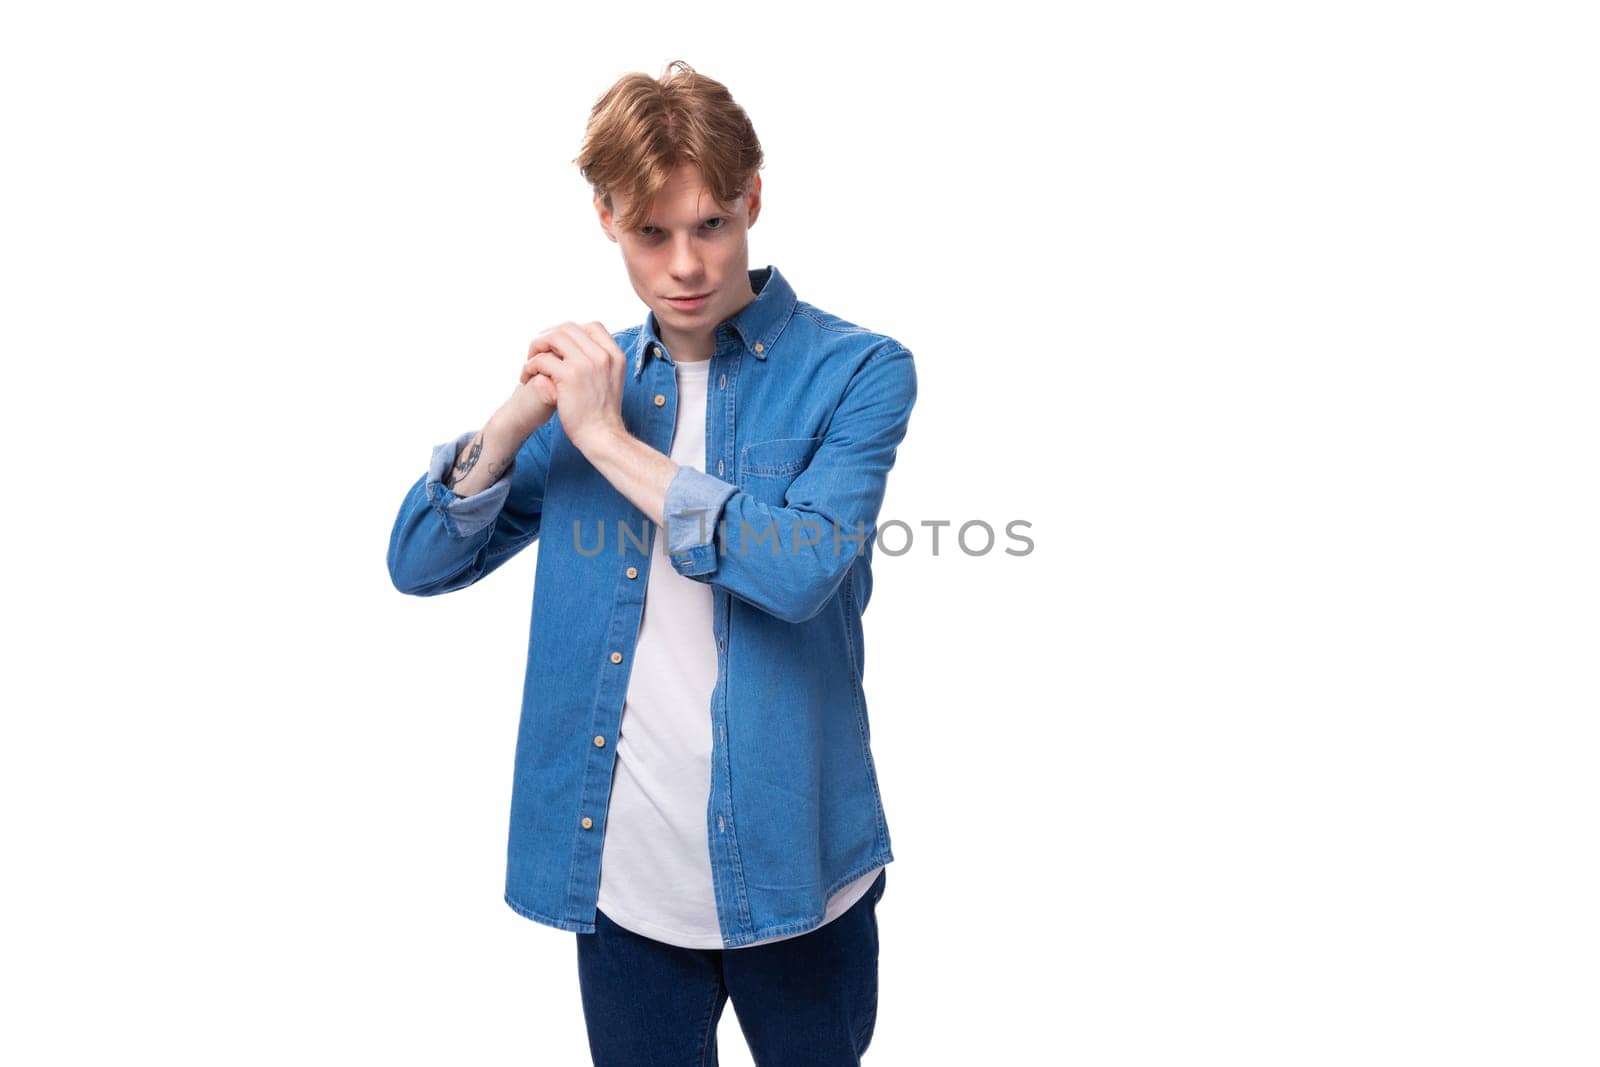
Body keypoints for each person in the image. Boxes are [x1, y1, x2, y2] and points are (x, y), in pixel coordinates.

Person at [386, 60, 916, 1065]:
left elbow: (802, 569)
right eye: (652, 233)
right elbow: (416, 563)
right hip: (623, 885)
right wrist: (509, 426)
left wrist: (606, 441)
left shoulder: (860, 369)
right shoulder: (593, 386)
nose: (686, 265)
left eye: (711, 224)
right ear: (606, 219)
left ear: (752, 200)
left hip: (800, 872)